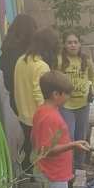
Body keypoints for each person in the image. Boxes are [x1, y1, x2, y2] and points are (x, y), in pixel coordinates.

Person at [31, 71, 91, 188]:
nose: (68, 97)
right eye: (66, 94)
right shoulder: (50, 117)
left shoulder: (43, 110)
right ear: (56, 94)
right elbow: (46, 150)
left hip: (50, 170)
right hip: (53, 174)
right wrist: (73, 144)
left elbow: (34, 139)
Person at [13, 27, 59, 165]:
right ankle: (38, 182)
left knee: (28, 150)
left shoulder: (21, 60)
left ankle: (28, 180)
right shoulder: (41, 66)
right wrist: (49, 117)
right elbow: (39, 94)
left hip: (23, 115)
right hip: (37, 118)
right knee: (40, 154)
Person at [60, 33, 94, 145]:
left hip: (83, 104)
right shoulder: (59, 61)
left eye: (75, 42)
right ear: (64, 45)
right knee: (69, 136)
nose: (73, 45)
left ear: (80, 44)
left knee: (81, 136)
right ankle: (69, 162)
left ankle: (79, 162)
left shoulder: (85, 59)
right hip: (66, 106)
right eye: (69, 42)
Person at [0, 13, 37, 116]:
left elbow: (2, 65)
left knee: (28, 129)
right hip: (31, 97)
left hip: (15, 98)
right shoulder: (29, 52)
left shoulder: (8, 48)